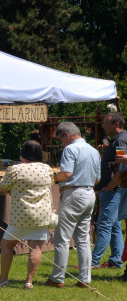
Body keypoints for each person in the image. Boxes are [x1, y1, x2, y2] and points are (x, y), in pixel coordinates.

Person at [0, 140, 54, 289]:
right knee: (36, 247)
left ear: (23, 153)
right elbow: (50, 184)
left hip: (20, 215)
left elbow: (3, 187)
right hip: (41, 215)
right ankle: (29, 281)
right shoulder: (46, 169)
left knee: (6, 245)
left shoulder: (15, 169)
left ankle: (3, 279)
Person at [45, 122, 101, 288]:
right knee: (83, 239)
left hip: (73, 193)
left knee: (62, 237)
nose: (61, 144)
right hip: (90, 193)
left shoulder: (70, 149)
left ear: (66, 135)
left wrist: (53, 178)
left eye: (61, 140)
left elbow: (67, 173)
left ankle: (57, 278)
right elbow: (97, 178)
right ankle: (85, 279)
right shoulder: (94, 150)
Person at [90, 112, 127, 270]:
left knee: (105, 225)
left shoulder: (121, 140)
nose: (103, 126)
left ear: (116, 124)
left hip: (113, 190)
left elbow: (121, 168)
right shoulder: (119, 139)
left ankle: (93, 262)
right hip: (113, 189)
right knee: (114, 225)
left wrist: (109, 186)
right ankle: (116, 260)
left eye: (106, 123)